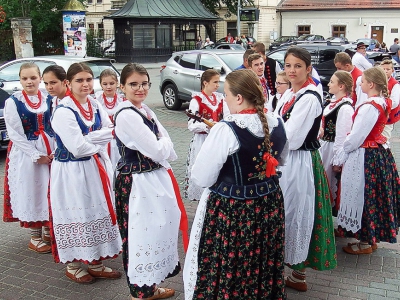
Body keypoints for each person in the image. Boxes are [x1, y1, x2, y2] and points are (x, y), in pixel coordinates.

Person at [183, 69, 288, 299]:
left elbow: (201, 178)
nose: (225, 100)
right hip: (269, 203)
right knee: (261, 259)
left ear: (239, 98)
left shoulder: (226, 128)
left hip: (234, 209)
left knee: (232, 261)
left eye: (227, 95)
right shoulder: (277, 122)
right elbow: (282, 160)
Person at [113, 63, 187, 299]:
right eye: (133, 84)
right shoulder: (126, 115)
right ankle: (139, 292)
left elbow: (166, 146)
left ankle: (150, 287)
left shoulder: (145, 110)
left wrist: (162, 146)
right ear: (122, 86)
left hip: (152, 179)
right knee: (139, 235)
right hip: (137, 183)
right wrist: (162, 145)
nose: (140, 88)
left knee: (156, 232)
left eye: (144, 83)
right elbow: (158, 148)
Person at [50, 62, 122, 284]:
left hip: (93, 166)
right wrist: (97, 140)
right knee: (77, 213)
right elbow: (77, 148)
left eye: (88, 79)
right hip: (71, 171)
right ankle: (73, 264)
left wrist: (91, 139)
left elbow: (110, 129)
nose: (85, 84)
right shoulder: (64, 111)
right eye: (79, 80)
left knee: (95, 212)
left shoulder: (94, 103)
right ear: (68, 83)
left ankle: (95, 261)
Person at [275, 46, 337, 291]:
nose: (292, 70)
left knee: (296, 211)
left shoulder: (309, 97)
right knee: (288, 211)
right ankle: (291, 273)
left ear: (308, 69)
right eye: (288, 65)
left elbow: (292, 137)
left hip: (298, 162)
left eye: (297, 66)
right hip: (287, 160)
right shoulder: (290, 93)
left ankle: (296, 273)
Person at [335, 67, 400, 254]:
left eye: (362, 81)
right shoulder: (382, 102)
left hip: (366, 156)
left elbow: (356, 137)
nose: (359, 84)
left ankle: (365, 242)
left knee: (364, 196)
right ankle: (369, 239)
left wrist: (343, 151)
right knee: (372, 197)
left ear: (371, 84)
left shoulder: (370, 106)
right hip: (376, 153)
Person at [3, 62, 54, 254]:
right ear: (20, 79)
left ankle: (49, 229)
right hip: (27, 152)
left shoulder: (49, 98)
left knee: (50, 187)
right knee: (32, 189)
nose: (29, 81)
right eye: (25, 78)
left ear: (40, 78)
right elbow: (15, 134)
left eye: (33, 77)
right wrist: (35, 155)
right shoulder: (13, 102)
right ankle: (35, 236)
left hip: (50, 150)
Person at [184, 69, 226, 201]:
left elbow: (226, 116)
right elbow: (191, 125)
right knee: (203, 167)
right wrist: (207, 126)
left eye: (218, 82)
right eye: (215, 82)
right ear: (205, 83)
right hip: (202, 140)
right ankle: (203, 196)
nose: (217, 85)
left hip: (217, 139)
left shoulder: (220, 98)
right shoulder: (197, 100)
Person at [318, 71, 354, 213]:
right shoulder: (333, 104)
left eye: (332, 82)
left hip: (332, 149)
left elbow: (342, 137)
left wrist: (337, 160)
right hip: (324, 147)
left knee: (330, 183)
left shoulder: (345, 108)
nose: (328, 84)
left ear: (341, 86)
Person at [94, 69, 124, 170]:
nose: (108, 87)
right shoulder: (96, 101)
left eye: (112, 83)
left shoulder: (123, 100)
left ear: (117, 83)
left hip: (120, 140)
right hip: (103, 140)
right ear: (101, 85)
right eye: (105, 84)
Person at [379, 59, 400, 146]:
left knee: (385, 138)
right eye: (383, 69)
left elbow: (394, 102)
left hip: (388, 115)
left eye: (388, 69)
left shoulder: (395, 84)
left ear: (392, 70)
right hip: (378, 114)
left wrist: (381, 104)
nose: (385, 71)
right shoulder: (378, 81)